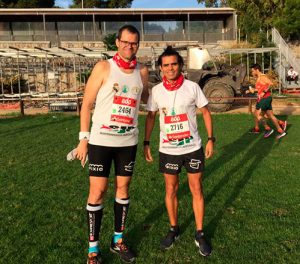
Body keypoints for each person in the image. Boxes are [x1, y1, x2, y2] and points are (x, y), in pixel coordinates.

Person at [75, 25, 148, 264]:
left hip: (128, 142)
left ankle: (117, 241)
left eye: (134, 43)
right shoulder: (104, 67)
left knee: (123, 190)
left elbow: (148, 101)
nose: (130, 46)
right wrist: (83, 139)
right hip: (100, 142)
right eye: (125, 42)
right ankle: (93, 249)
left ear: (138, 45)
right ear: (117, 42)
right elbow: (86, 104)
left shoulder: (143, 71)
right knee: (97, 192)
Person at [144, 46, 214, 257]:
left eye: (174, 64)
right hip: (168, 150)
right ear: (160, 68)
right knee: (171, 189)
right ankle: (173, 228)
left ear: (181, 66)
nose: (170, 68)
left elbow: (205, 112)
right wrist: (146, 142)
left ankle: (200, 233)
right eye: (166, 65)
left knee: (196, 189)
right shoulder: (156, 91)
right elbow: (150, 117)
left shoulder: (193, 87)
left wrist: (211, 139)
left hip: (193, 148)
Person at [249, 64, 286, 139]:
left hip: (265, 98)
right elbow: (261, 88)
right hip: (264, 98)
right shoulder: (259, 77)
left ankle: (268, 129)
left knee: (258, 115)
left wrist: (264, 92)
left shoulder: (263, 77)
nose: (252, 72)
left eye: (252, 71)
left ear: (257, 70)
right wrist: (253, 90)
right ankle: (281, 131)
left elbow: (271, 84)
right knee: (270, 115)